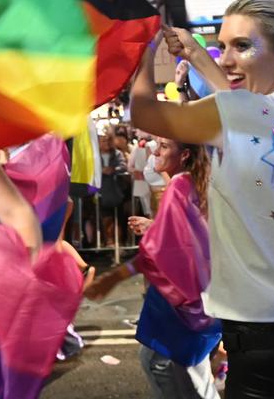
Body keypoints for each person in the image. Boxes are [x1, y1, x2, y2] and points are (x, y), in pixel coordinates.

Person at [144, 0, 274, 399]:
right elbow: (248, 116)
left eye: (241, 46)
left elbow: (147, 112)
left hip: (270, 341)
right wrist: (197, 55)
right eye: (222, 46)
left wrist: (143, 56)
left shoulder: (251, 120)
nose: (224, 58)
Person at [86, 137, 220, 399]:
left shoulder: (181, 184)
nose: (155, 151)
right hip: (198, 298)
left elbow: (173, 245)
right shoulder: (194, 182)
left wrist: (113, 278)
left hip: (184, 302)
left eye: (164, 147)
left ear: (184, 156)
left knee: (169, 367)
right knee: (178, 368)